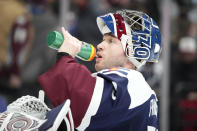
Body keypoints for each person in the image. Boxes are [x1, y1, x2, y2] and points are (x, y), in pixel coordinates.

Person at [38, 9, 162, 130]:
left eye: (111, 41)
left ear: (133, 52)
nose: (100, 45)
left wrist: (66, 55)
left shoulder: (129, 80)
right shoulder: (138, 88)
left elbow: (82, 100)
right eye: (103, 40)